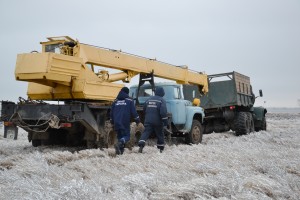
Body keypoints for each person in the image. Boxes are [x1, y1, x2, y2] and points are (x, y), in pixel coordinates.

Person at [110, 87, 140, 155]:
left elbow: (111, 113)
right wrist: (138, 120)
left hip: (116, 122)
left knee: (120, 136)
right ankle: (119, 144)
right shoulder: (130, 101)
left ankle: (120, 152)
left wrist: (112, 121)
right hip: (125, 121)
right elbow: (134, 112)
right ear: (127, 93)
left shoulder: (115, 101)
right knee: (127, 137)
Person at [138, 87, 168, 153]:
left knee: (146, 132)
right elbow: (163, 112)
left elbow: (144, 109)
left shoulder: (148, 99)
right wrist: (165, 122)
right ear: (162, 93)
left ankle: (141, 145)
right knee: (160, 134)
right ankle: (160, 149)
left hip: (148, 120)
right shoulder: (161, 100)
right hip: (158, 121)